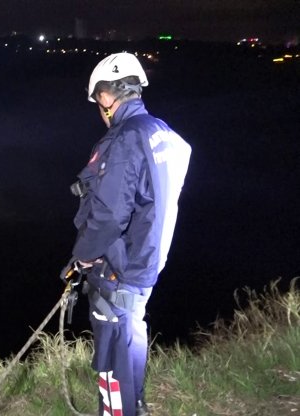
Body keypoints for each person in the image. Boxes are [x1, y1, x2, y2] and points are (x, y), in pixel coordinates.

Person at [61, 52, 191, 416]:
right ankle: (135, 405)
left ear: (105, 97)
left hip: (118, 266)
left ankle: (118, 411)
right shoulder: (164, 133)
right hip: (148, 260)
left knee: (113, 349)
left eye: (98, 101)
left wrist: (83, 255)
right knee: (132, 331)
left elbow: (108, 214)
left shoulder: (122, 140)